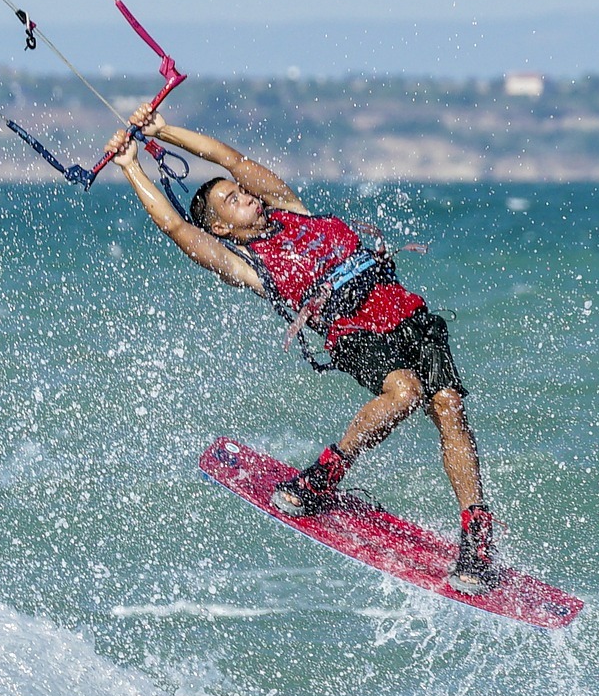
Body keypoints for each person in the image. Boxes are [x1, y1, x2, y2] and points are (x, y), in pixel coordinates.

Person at [102, 104, 500, 594]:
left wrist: (163, 131)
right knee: (404, 392)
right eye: (230, 199)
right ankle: (325, 474)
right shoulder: (249, 266)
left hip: (410, 316)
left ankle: (477, 536)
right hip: (357, 333)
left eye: (240, 190)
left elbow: (230, 157)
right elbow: (177, 228)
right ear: (222, 228)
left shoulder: (289, 207)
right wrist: (131, 167)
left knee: (450, 407)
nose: (243, 194)